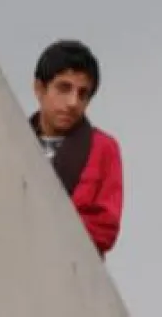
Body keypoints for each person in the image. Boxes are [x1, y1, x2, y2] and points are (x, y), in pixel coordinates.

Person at [30, 40, 124, 257]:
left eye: (83, 94)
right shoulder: (13, 139)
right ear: (40, 89)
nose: (73, 102)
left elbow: (105, 229)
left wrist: (42, 217)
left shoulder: (103, 148)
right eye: (64, 88)